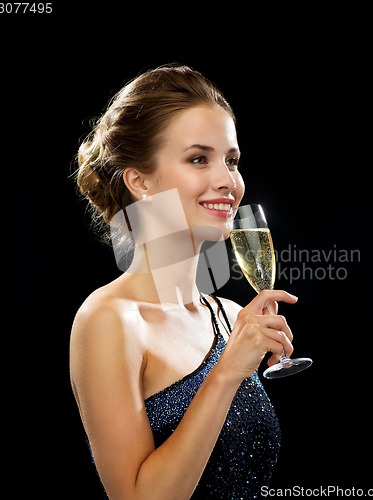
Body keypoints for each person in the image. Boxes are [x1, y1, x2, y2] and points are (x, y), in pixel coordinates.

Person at [69, 62, 299, 499]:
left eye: (232, 161)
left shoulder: (231, 317)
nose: (227, 181)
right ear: (141, 182)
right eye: (199, 159)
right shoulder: (109, 321)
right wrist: (228, 371)